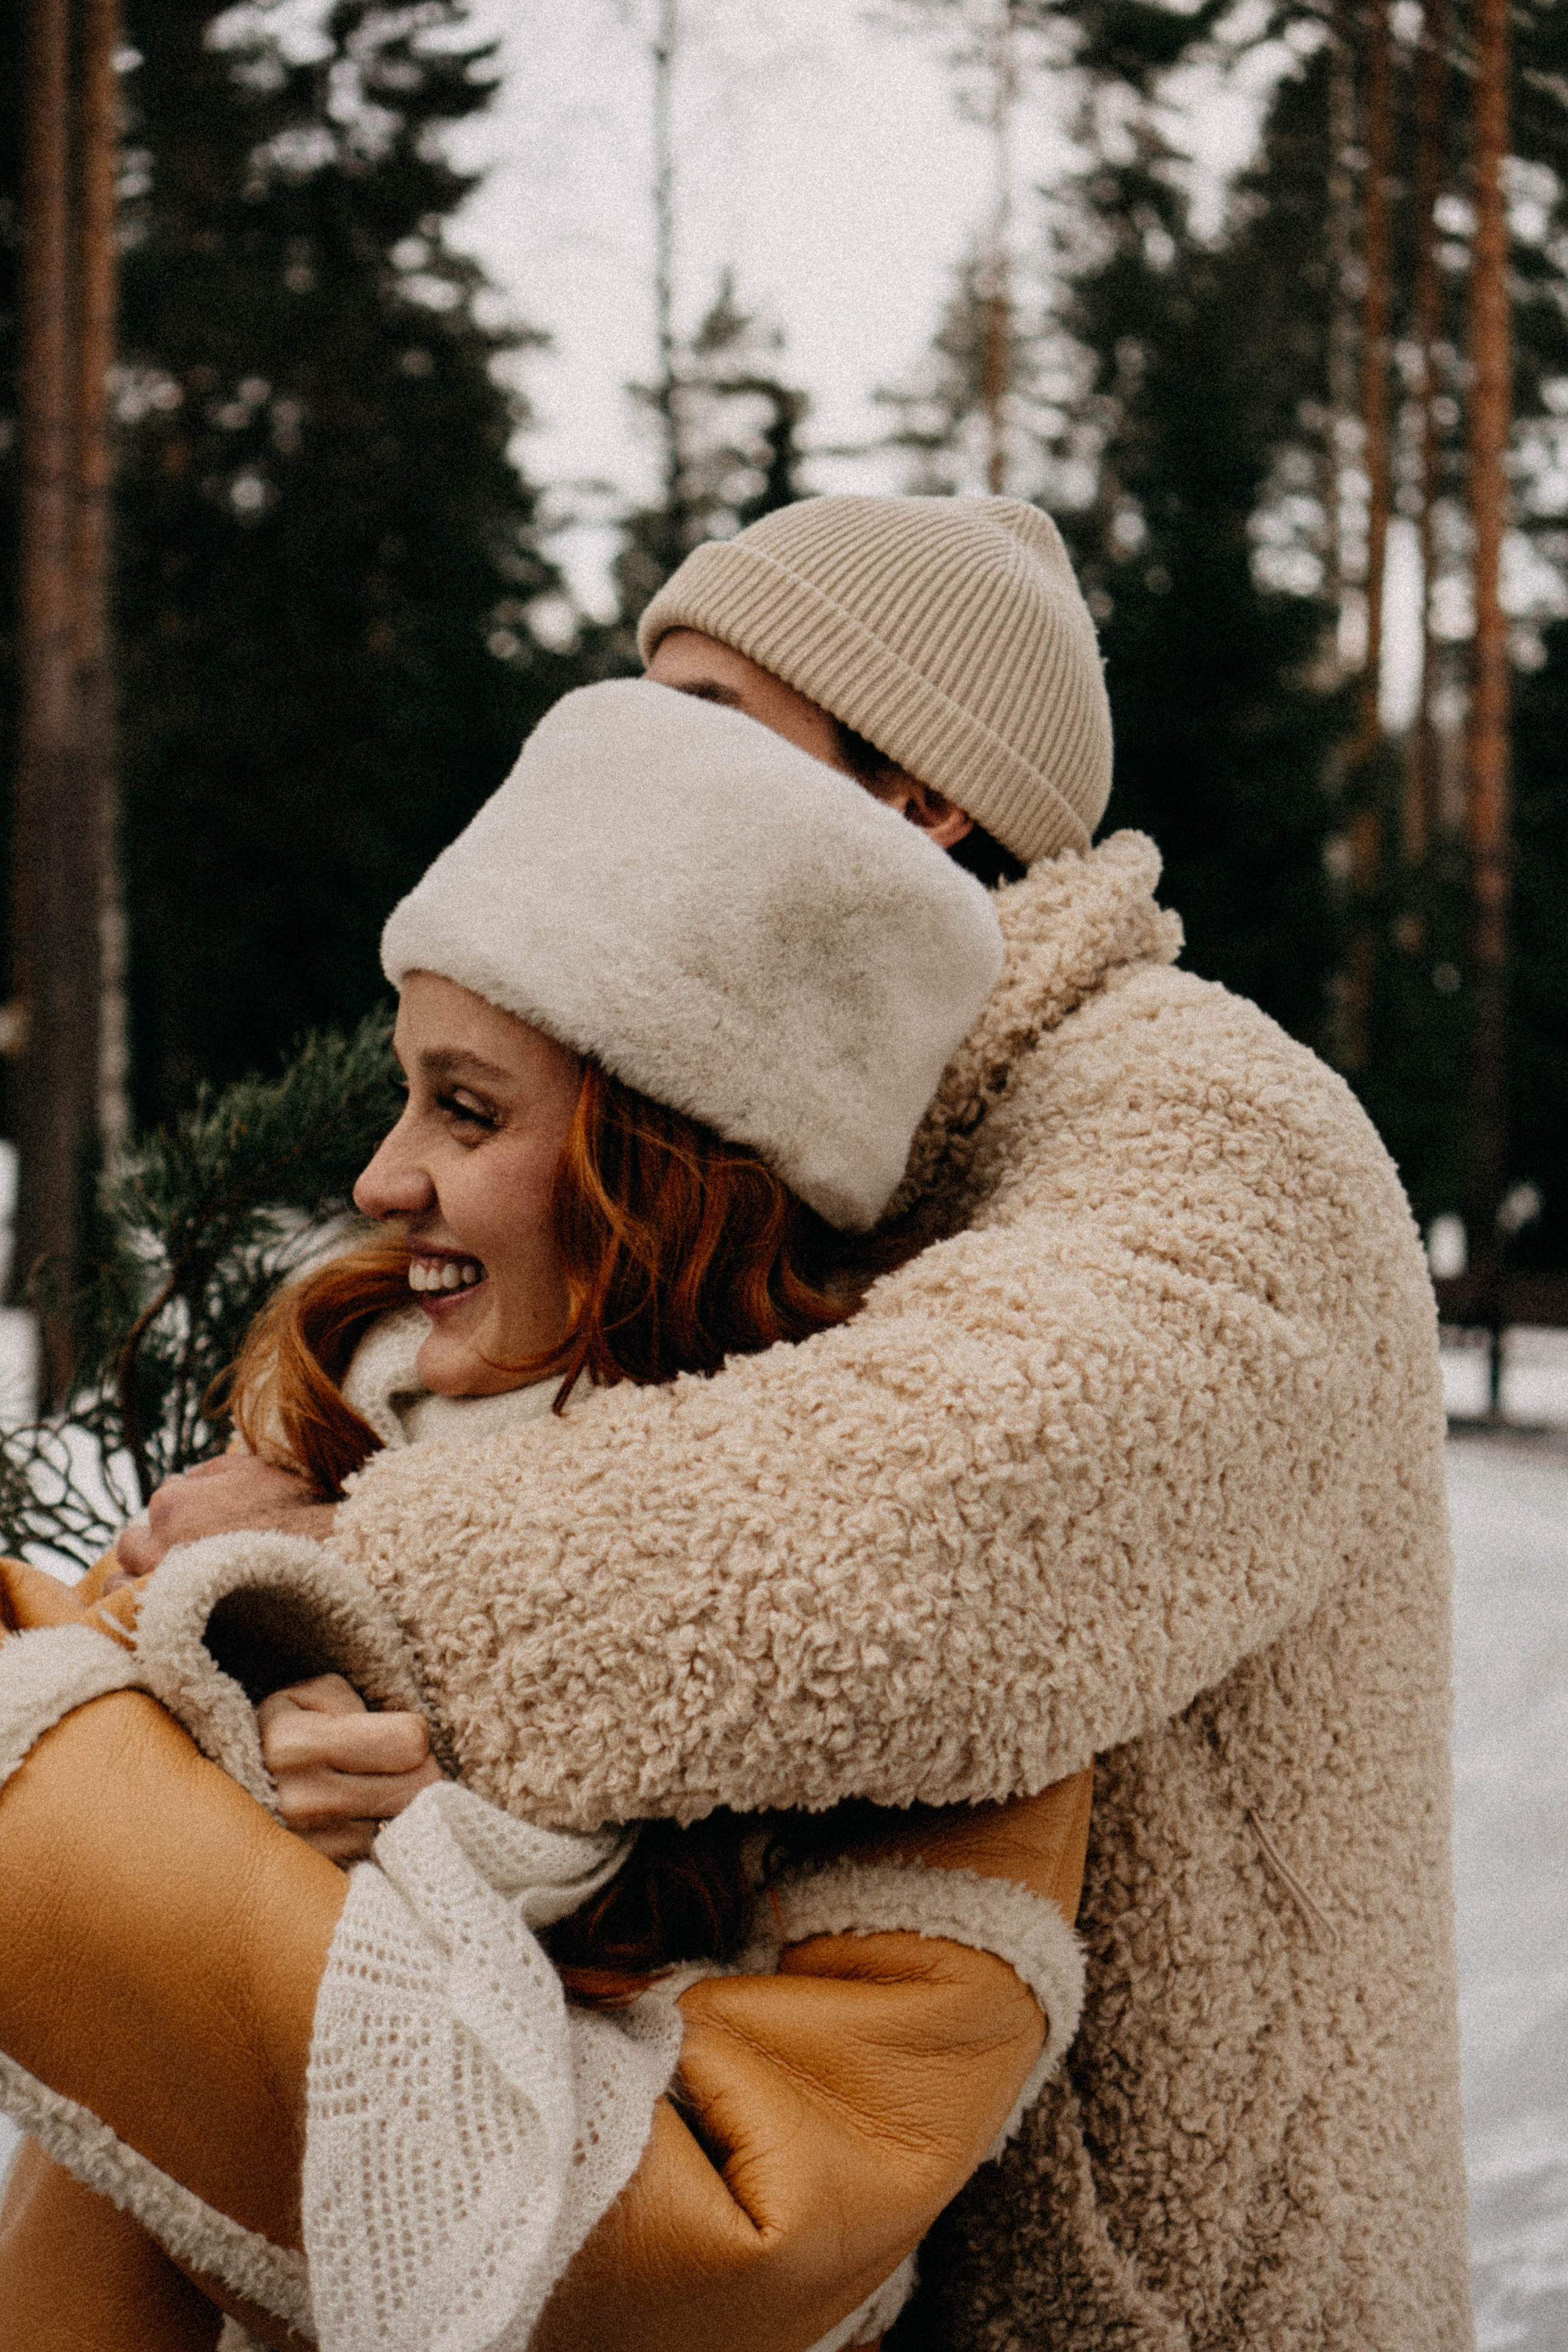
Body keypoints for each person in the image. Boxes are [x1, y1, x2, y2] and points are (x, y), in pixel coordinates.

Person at [0, 494, 1471, 2351]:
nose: (640, 775)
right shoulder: (775, 1108)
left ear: (920, 792)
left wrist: (334, 1583)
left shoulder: (1204, 1117)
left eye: (703, 714)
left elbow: (942, 1529)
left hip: (1155, 2301)